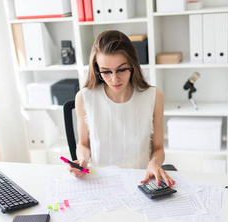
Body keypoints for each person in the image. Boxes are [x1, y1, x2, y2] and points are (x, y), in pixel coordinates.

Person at [67, 30, 174, 187]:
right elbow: (83, 144)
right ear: (97, 69)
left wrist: (155, 163)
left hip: (141, 180)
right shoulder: (85, 98)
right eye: (106, 71)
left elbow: (158, 148)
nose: (114, 78)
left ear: (132, 64)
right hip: (100, 182)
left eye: (122, 69)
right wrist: (82, 160)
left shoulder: (153, 96)